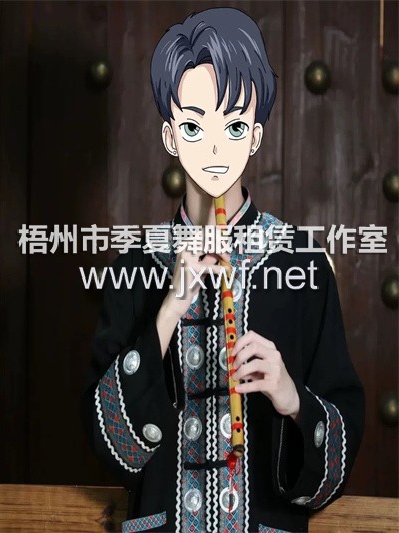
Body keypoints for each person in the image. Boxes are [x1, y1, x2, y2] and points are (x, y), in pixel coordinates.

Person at [80, 7, 365, 533]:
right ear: (170, 136)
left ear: (254, 137)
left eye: (233, 126)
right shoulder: (134, 266)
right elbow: (109, 445)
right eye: (194, 125)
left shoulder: (302, 263)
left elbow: (338, 462)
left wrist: (292, 400)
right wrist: (166, 315)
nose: (214, 147)